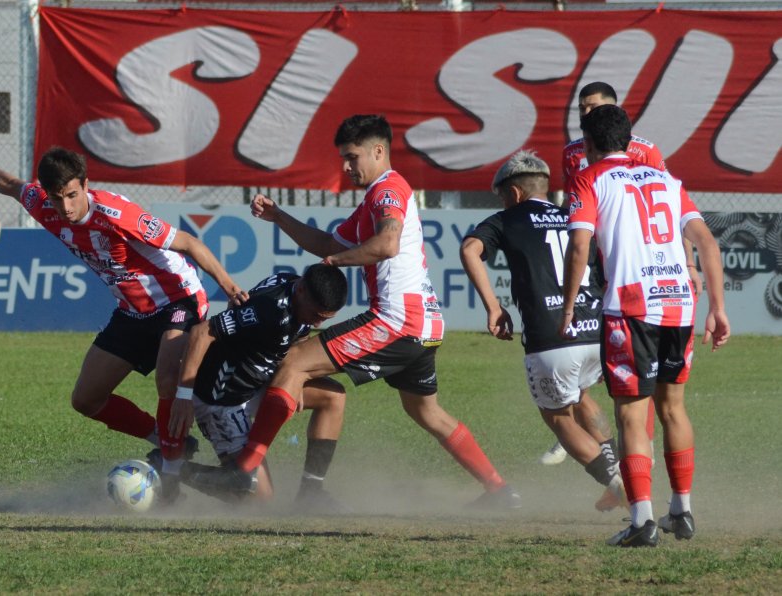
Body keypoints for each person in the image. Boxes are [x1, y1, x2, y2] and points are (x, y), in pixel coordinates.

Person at [187, 114, 520, 509]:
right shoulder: (374, 198)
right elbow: (327, 241)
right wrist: (280, 217)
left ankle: (244, 467)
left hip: (398, 320)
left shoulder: (388, 189)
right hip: (427, 325)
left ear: (378, 151)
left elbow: (388, 243)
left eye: (352, 156)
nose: (346, 167)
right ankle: (499, 490)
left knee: (293, 363)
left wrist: (335, 263)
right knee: (425, 410)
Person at [0, 145, 246, 476]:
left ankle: (171, 471)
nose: (65, 207)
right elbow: (10, 185)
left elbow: (190, 244)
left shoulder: (118, 213)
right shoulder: (42, 204)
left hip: (178, 299)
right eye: (56, 197)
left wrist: (230, 287)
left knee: (167, 379)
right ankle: (165, 439)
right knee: (86, 399)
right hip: (132, 310)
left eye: (71, 195)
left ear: (85, 184)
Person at [561, 105, 730, 547]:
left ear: (590, 144)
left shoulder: (589, 178)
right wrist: (719, 308)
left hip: (631, 308)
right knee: (673, 407)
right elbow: (707, 243)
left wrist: (567, 304)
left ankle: (642, 522)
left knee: (632, 414)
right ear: (629, 139)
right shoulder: (667, 180)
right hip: (678, 303)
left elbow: (579, 243)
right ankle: (682, 510)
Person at [541, 80, 702, 466]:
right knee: (590, 348)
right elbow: (575, 213)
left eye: (593, 107)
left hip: (635, 268)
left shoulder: (644, 151)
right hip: (595, 261)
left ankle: (631, 446)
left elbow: (663, 212)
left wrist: (688, 262)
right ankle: (585, 428)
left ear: (614, 110)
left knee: (632, 364)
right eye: (581, 107)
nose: (585, 113)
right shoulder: (571, 153)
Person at [460, 149, 625, 512]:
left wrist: (494, 307)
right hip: (596, 330)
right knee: (580, 394)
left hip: (551, 337)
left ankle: (616, 482)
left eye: (503, 195)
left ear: (514, 194)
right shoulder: (574, 213)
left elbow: (470, 250)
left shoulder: (508, 218)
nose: (502, 202)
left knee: (557, 418)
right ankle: (620, 468)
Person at [157, 264, 349, 510]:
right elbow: (201, 333)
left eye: (325, 318)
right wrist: (183, 396)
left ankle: (311, 492)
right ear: (301, 290)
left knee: (333, 397)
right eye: (316, 315)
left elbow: (297, 338)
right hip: (222, 399)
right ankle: (174, 469)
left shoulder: (295, 290)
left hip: (258, 385)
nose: (318, 323)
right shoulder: (267, 310)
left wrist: (297, 379)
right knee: (260, 498)